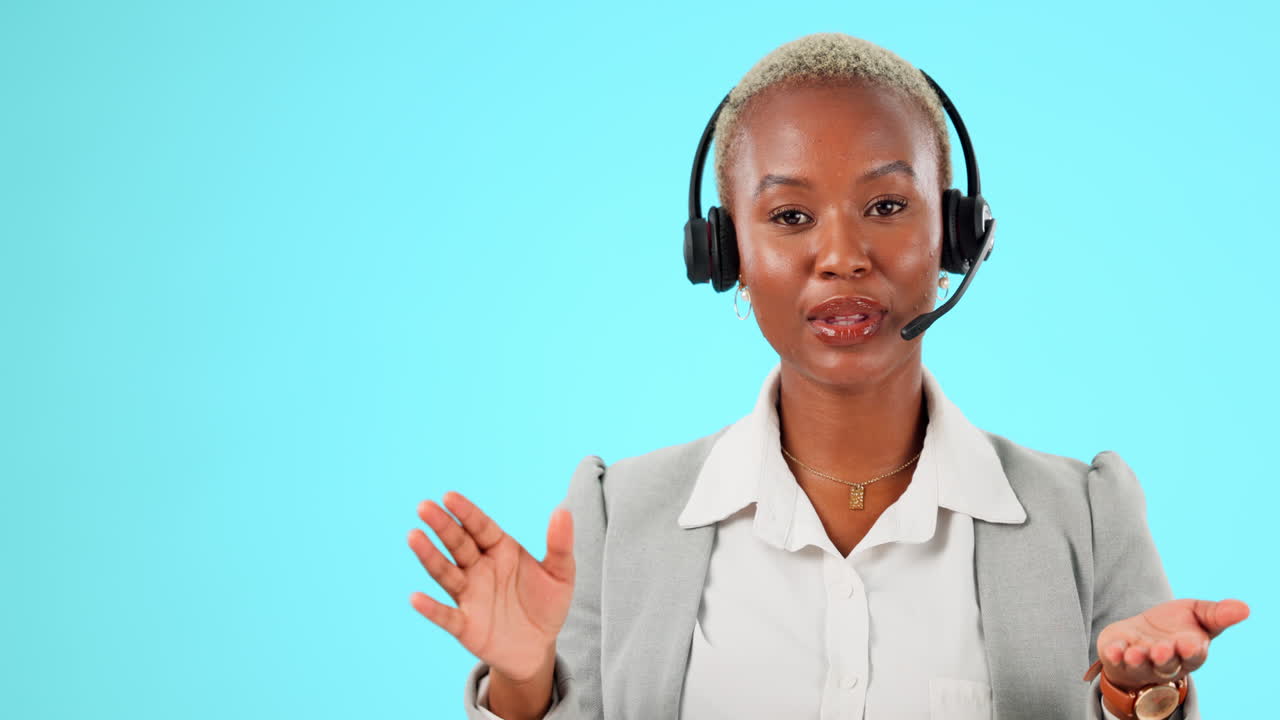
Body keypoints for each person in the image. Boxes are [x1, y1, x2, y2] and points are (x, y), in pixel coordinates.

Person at [407, 32, 1249, 720]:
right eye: (790, 217)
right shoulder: (618, 518)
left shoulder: (1089, 515)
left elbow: (1150, 701)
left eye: (887, 207)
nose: (842, 256)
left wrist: (1140, 695)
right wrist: (522, 685)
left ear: (957, 236)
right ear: (724, 251)